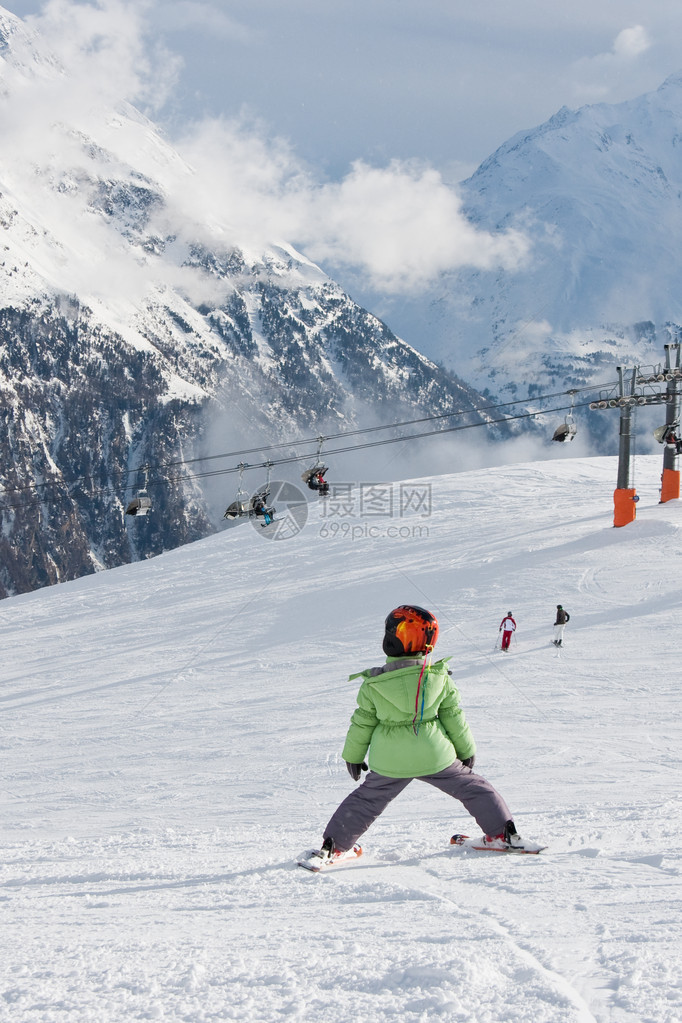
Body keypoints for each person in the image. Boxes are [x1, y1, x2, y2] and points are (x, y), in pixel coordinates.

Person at [312, 604, 531, 865]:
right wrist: (466, 750)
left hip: (390, 760)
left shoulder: (373, 685)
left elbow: (362, 723)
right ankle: (502, 834)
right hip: (435, 755)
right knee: (475, 789)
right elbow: (454, 717)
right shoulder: (439, 678)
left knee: (365, 801)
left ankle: (333, 847)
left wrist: (353, 755)